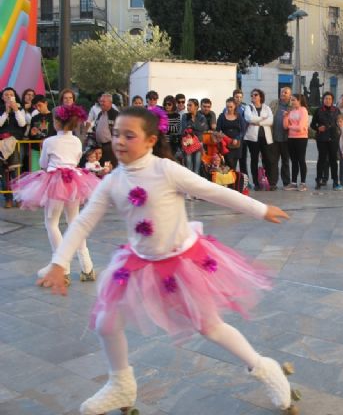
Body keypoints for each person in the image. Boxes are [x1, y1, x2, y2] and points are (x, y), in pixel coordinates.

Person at [36, 106, 297, 415]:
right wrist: (59, 262)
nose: (119, 141)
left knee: (210, 327)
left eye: (129, 136)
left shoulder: (165, 170)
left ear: (149, 140)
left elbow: (214, 191)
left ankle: (265, 368)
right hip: (138, 263)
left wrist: (260, 209)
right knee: (106, 322)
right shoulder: (112, 181)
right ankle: (120, 384)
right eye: (117, 134)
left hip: (182, 262)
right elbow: (82, 223)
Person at [13, 104, 100, 283]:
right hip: (74, 180)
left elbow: (44, 163)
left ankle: (62, 267)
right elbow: (76, 159)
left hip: (55, 181)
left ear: (58, 122)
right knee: (74, 223)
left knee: (51, 223)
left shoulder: (50, 141)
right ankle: (87, 266)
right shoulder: (76, 141)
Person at [244, 89, 276, 190]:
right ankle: (256, 183)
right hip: (253, 139)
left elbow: (270, 121)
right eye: (252, 95)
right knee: (254, 160)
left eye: (255, 95)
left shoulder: (267, 108)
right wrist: (263, 119)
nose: (253, 96)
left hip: (265, 138)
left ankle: (269, 182)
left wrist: (258, 121)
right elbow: (249, 118)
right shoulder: (248, 107)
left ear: (260, 96)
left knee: (268, 160)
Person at [0, 86, 27, 208]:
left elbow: (22, 123)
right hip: (1, 143)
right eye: (6, 95)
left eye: (11, 94)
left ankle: (18, 197)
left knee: (16, 171)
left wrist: (16, 110)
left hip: (15, 142)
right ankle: (8, 198)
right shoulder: (1, 109)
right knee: (3, 172)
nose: (9, 96)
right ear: (2, 97)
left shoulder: (20, 109)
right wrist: (6, 112)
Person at [310, 91, 340, 190]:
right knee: (321, 160)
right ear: (323, 100)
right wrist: (318, 128)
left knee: (333, 160)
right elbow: (312, 125)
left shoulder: (336, 110)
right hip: (322, 138)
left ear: (332, 100)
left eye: (330, 99)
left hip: (333, 138)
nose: (328, 100)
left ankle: (335, 181)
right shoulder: (318, 110)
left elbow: (340, 122)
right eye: (326, 98)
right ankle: (318, 180)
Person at [284, 93, 309, 191]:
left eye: (294, 100)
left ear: (299, 100)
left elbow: (300, 128)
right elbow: (285, 126)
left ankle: (303, 183)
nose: (292, 102)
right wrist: (286, 116)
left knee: (301, 159)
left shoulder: (303, 110)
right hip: (291, 138)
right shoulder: (291, 111)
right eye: (291, 100)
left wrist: (291, 127)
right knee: (294, 160)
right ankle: (293, 183)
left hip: (301, 138)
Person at [89, 93, 119, 167]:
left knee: (109, 167)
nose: (101, 103)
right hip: (100, 147)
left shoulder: (115, 115)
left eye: (103, 101)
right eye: (100, 101)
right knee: (101, 167)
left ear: (110, 102)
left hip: (110, 147)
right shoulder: (100, 114)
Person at [215, 97, 245, 171]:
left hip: (236, 144)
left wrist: (237, 138)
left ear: (235, 106)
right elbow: (217, 130)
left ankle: (232, 181)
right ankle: (228, 180)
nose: (229, 108)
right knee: (228, 162)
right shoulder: (222, 116)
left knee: (234, 164)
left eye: (231, 107)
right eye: (227, 106)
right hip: (225, 143)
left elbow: (243, 130)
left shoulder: (239, 116)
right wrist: (220, 136)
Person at [181, 98, 207, 179]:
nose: (188, 107)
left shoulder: (201, 117)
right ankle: (189, 187)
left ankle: (196, 187)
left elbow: (203, 128)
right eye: (187, 105)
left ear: (196, 107)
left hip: (198, 144)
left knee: (196, 168)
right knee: (189, 168)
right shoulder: (185, 116)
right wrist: (194, 127)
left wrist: (191, 125)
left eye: (190, 105)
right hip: (188, 144)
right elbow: (184, 128)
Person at [272, 87, 292, 189]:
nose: (283, 94)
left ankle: (286, 182)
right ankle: (273, 182)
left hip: (286, 139)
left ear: (290, 95)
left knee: (285, 161)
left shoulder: (292, 106)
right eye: (282, 92)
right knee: (274, 161)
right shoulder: (274, 103)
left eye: (285, 93)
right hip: (274, 138)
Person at [162, 95, 182, 160]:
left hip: (172, 143)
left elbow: (176, 129)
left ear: (173, 105)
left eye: (169, 104)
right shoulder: (161, 115)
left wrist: (166, 128)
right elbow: (160, 128)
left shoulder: (177, 115)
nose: (167, 106)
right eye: (165, 104)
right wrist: (170, 128)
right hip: (163, 142)